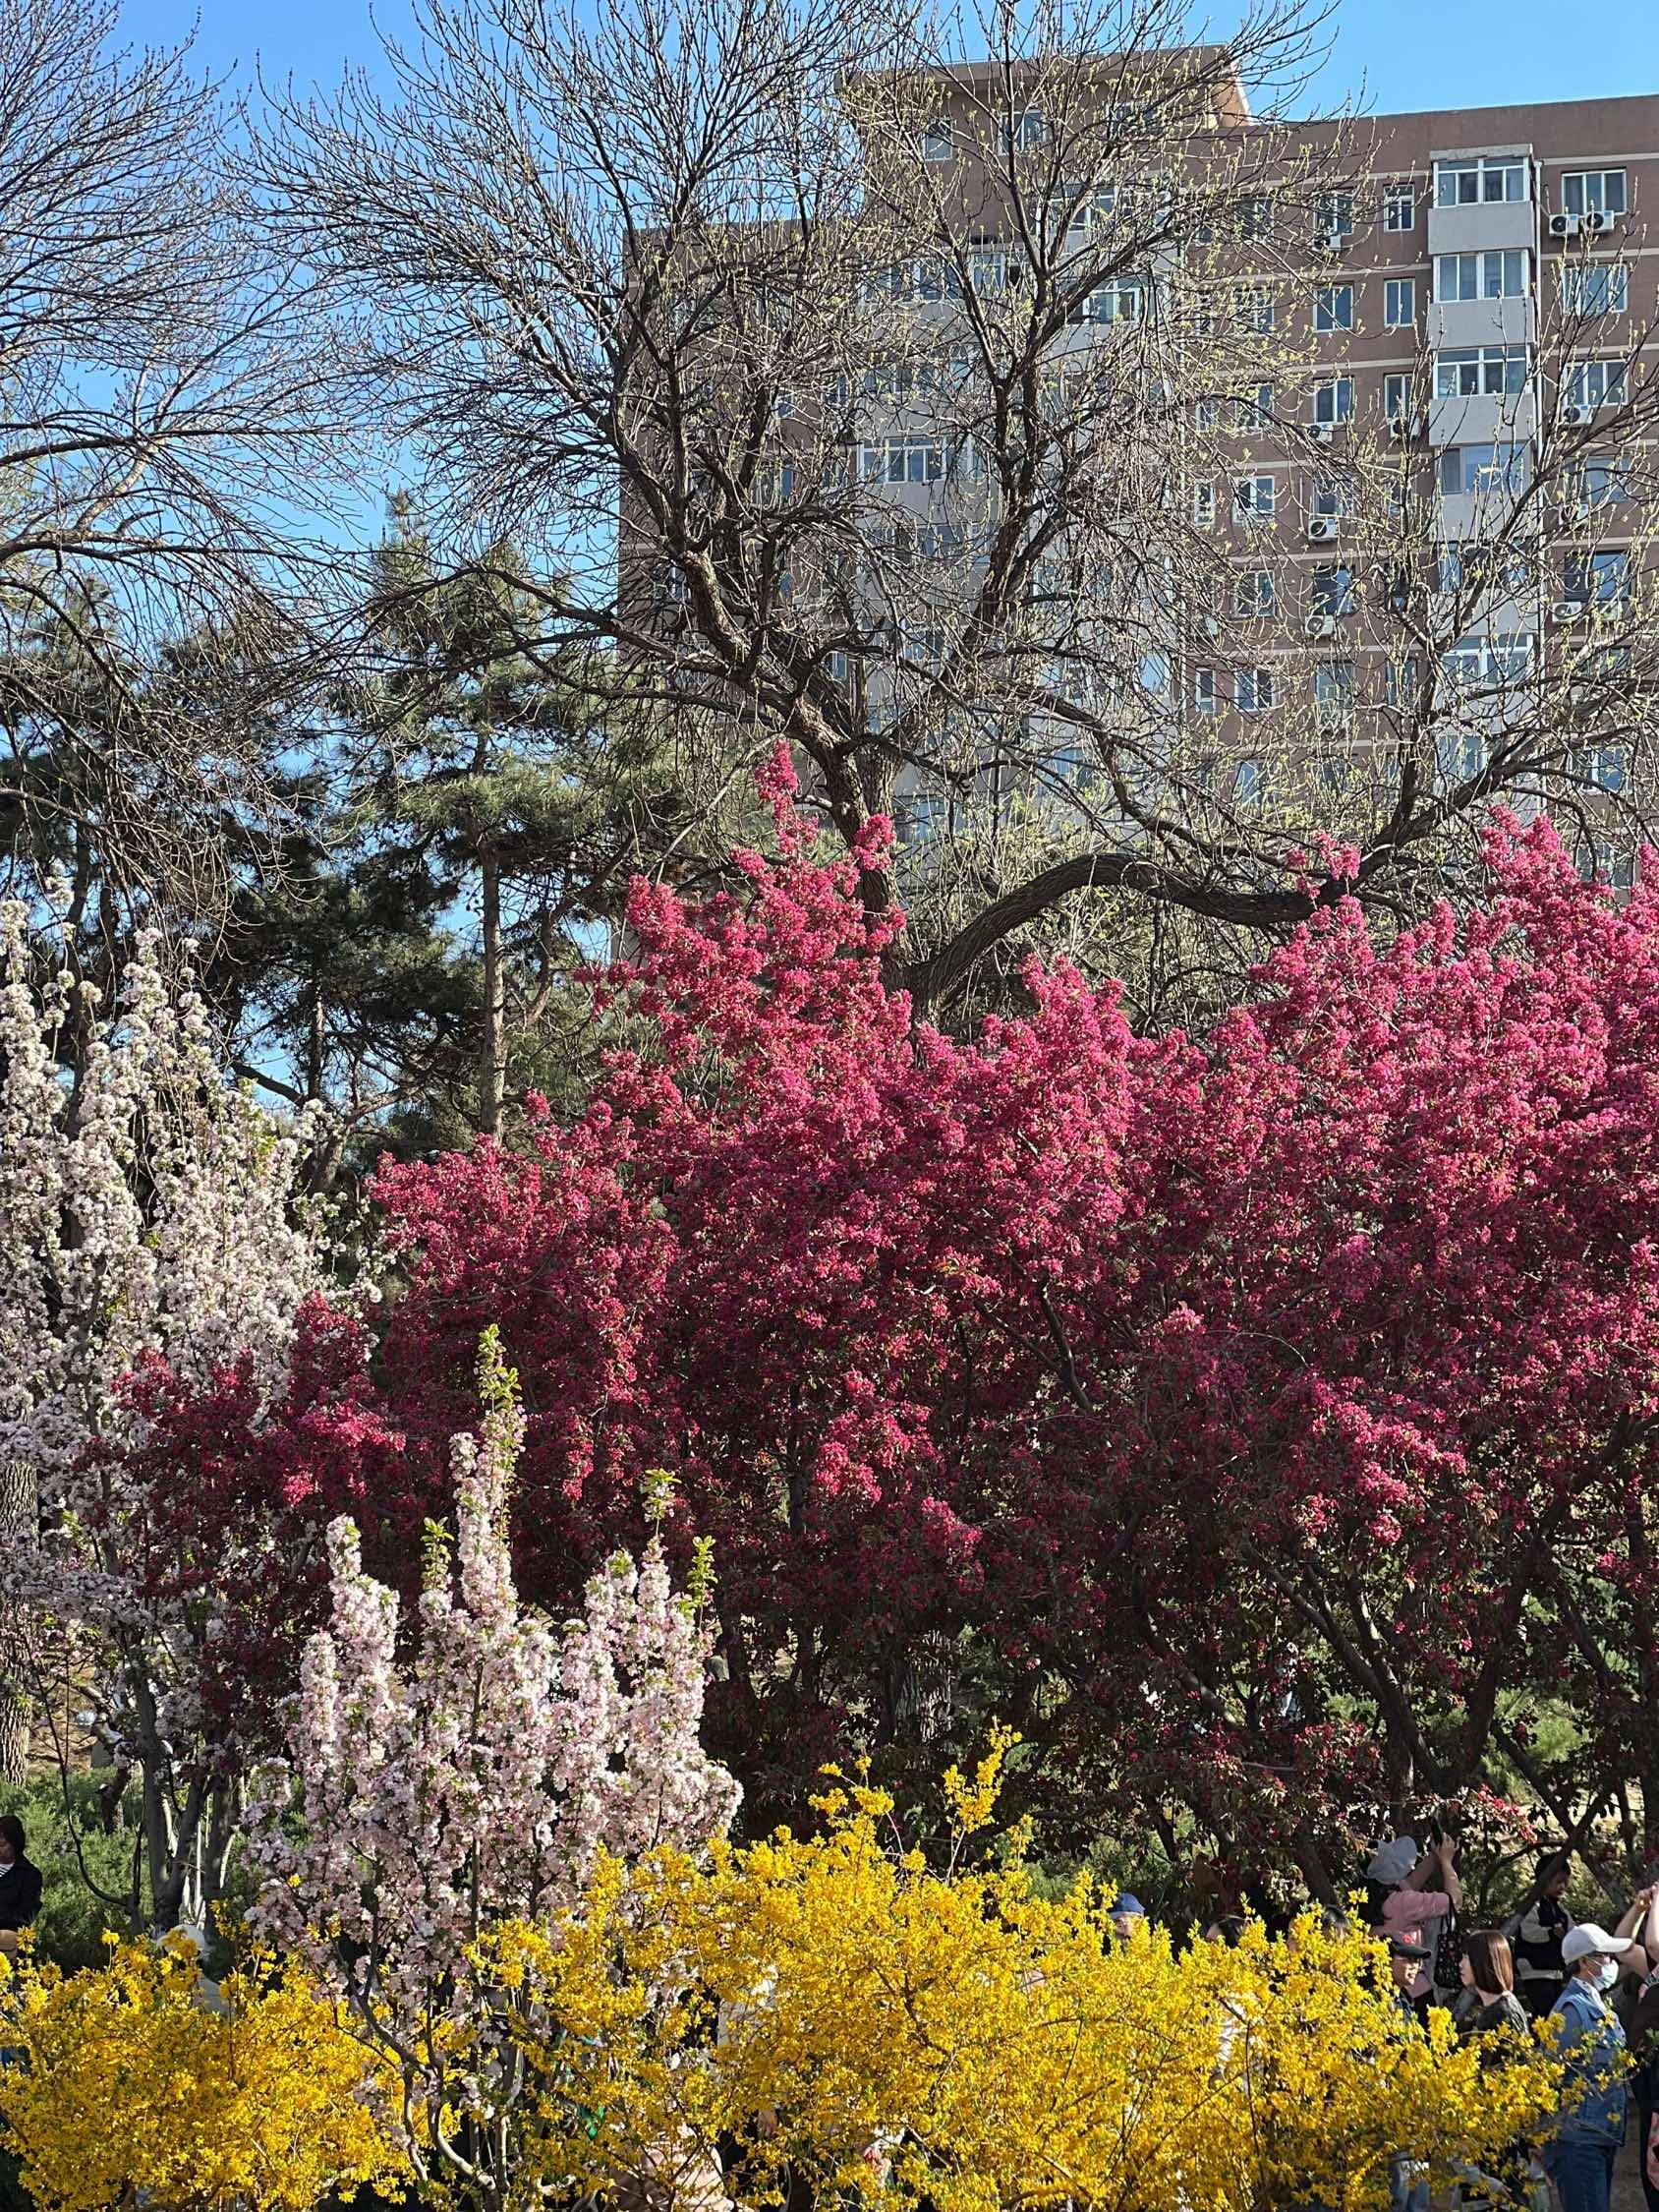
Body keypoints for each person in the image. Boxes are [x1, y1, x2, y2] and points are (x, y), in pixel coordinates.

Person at [1545, 1923, 1635, 2212]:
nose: (1612, 1962)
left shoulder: (1597, 2004)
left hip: (1598, 2137)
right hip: (1578, 2142)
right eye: (1605, 1956)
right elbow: (1551, 2076)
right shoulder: (1572, 2010)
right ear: (1585, 1962)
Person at [1370, 1834, 1462, 2025]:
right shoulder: (1404, 1902)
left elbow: (1410, 1885)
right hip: (1413, 1987)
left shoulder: (1373, 1898)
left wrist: (1434, 1856)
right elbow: (1454, 1902)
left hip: (1382, 1982)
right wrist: (1446, 1862)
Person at [1511, 1854, 1575, 2019]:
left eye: (1565, 1883)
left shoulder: (1562, 1912)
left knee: (1554, 2012)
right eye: (1558, 1881)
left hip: (1556, 1972)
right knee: (1545, 2011)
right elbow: (1528, 1932)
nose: (1562, 1887)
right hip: (1535, 1970)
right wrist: (1550, 1933)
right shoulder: (1533, 1906)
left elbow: (1574, 1933)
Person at [1453, 1930, 1529, 2040]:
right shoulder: (1497, 2006)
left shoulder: (1501, 2013)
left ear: (1484, 1962)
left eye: (1466, 1958)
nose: (1460, 1964)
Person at [0, 1815, 43, 1956]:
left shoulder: (30, 1875)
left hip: (8, 1938)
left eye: (2, 1840)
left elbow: (25, 1916)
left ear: (14, 1842)